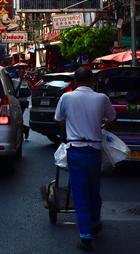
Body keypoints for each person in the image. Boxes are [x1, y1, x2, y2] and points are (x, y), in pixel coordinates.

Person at [54, 67, 116, 251]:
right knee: (94, 190)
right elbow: (112, 118)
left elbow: (58, 119)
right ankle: (95, 222)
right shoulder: (101, 98)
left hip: (75, 151)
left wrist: (71, 121)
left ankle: (85, 236)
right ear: (91, 81)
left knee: (79, 193)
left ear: (74, 81)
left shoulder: (67, 97)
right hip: (94, 151)